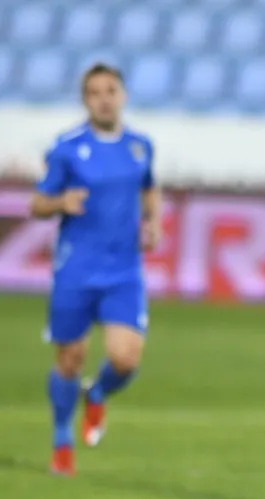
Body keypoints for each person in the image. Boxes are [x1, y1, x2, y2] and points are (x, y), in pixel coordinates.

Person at [31, 63, 161, 477]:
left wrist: (153, 221)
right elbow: (37, 203)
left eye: (111, 91)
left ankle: (98, 391)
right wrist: (60, 203)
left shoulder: (140, 146)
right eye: (95, 92)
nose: (104, 99)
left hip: (124, 271)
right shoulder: (67, 148)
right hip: (76, 268)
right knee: (70, 357)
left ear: (123, 96)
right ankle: (61, 440)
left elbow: (149, 187)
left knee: (125, 358)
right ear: (85, 100)